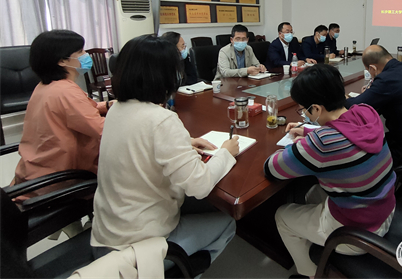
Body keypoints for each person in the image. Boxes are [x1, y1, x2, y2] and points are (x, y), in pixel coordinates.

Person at [91, 34, 240, 264]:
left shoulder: (116, 110)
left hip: (108, 232)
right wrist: (226, 152)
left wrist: (185, 142)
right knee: (228, 223)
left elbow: (140, 143)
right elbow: (199, 186)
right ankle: (177, 269)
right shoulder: (161, 119)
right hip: (138, 247)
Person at [264, 64, 396, 278]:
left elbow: (271, 169)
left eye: (304, 109)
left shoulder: (322, 143)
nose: (304, 113)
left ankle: (310, 274)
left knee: (283, 215)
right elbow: (344, 128)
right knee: (311, 194)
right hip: (385, 207)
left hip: (357, 233)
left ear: (316, 109)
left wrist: (302, 145)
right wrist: (308, 130)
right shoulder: (365, 112)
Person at [14, 30, 109, 184]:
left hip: (34, 172)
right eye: (80, 51)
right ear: (62, 61)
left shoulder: (46, 86)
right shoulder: (66, 91)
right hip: (61, 180)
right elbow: (102, 129)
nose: (86, 55)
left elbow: (74, 111)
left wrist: (107, 105)